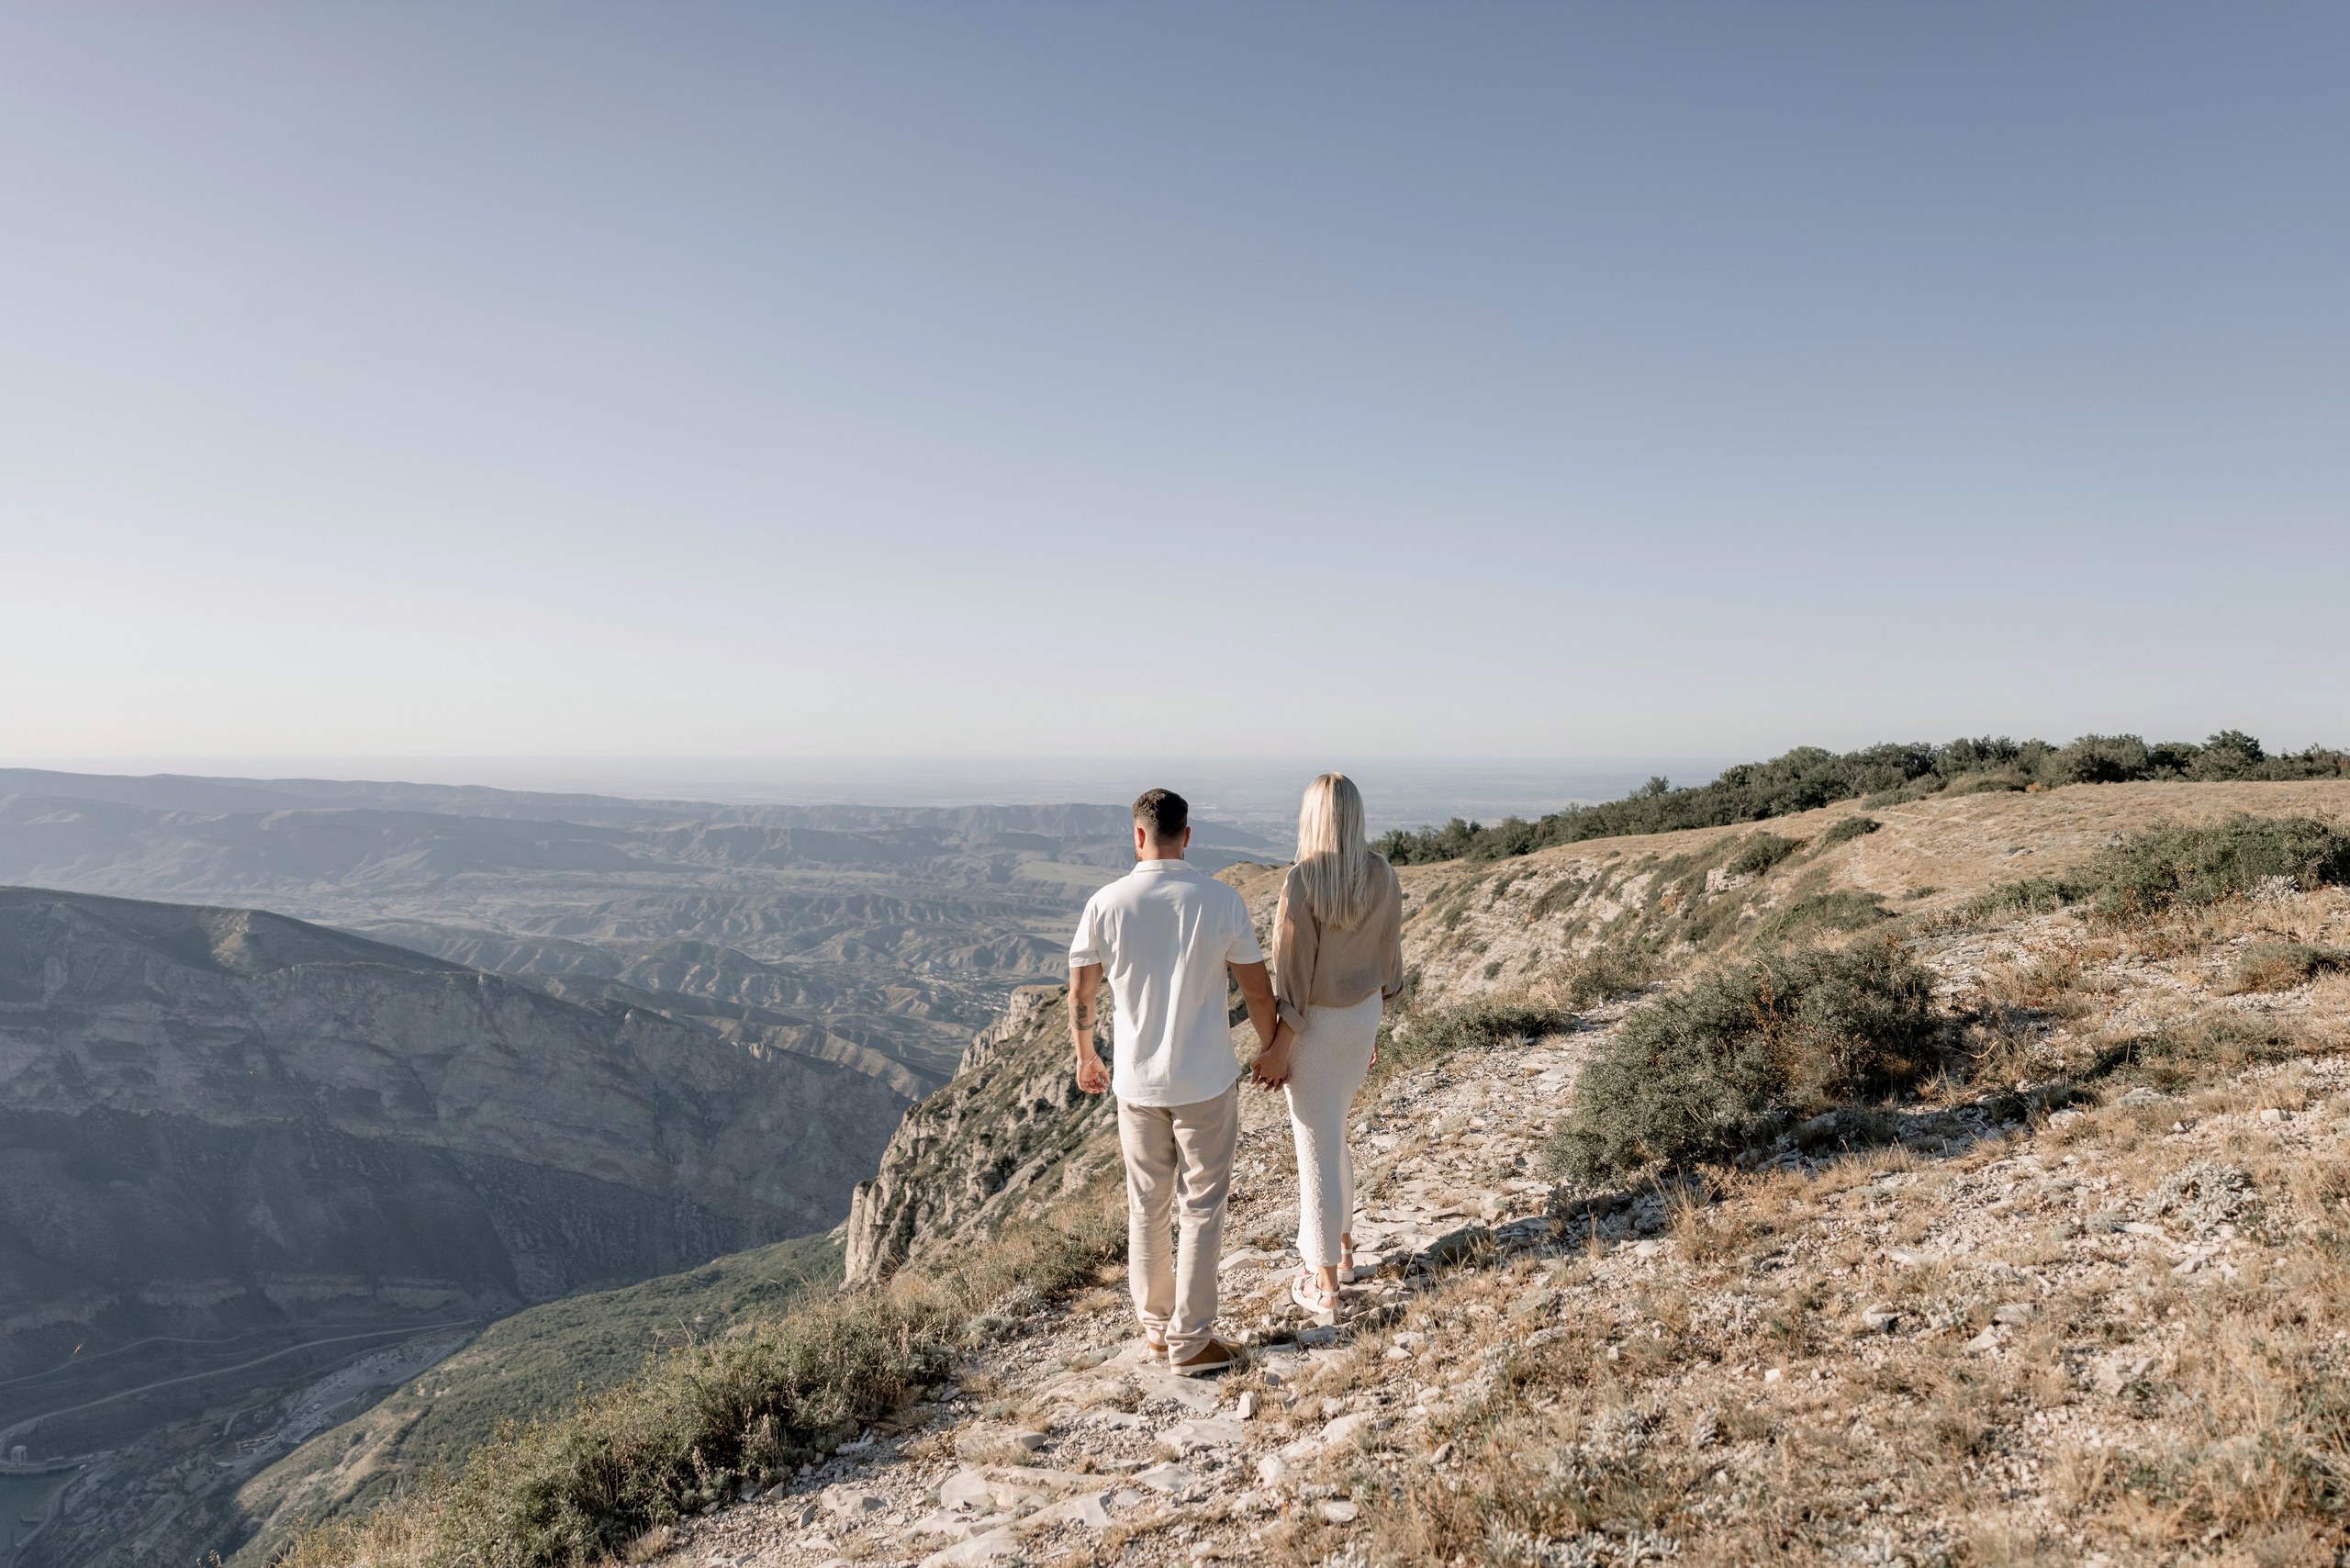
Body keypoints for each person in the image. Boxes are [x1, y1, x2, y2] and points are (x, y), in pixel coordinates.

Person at [1069, 787, 1279, 1375]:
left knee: (1147, 1207)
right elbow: (1256, 991)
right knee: (1203, 1206)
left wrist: (1087, 1056)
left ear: (1137, 836)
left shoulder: (1104, 904)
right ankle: (1192, 1340)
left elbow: (1082, 994)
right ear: (1187, 836)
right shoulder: (1221, 900)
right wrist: (1273, 1049)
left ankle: (1157, 1331)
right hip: (1206, 1078)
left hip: (1135, 1084)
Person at [1248, 773, 1404, 1319]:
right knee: (1335, 1132)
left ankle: (1326, 1287)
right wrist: (1372, 1031)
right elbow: (1390, 959)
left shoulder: (1303, 883)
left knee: (1314, 1148)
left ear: (1311, 817)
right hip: (1363, 1017)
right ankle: (1343, 1249)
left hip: (1316, 1027)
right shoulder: (1382, 873)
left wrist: (1277, 1047)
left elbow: (1294, 980)